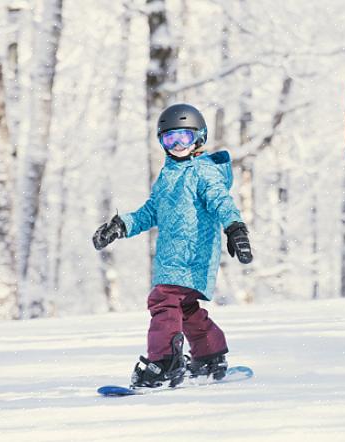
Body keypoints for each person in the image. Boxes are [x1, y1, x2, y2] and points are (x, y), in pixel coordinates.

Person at [92, 103, 253, 389]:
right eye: (170, 139)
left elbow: (221, 202)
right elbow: (150, 212)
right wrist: (120, 225)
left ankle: (164, 362)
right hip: (171, 260)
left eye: (185, 138)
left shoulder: (204, 173)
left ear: (199, 138)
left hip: (193, 257)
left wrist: (235, 228)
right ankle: (209, 355)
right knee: (185, 308)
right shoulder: (166, 177)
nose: (178, 145)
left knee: (163, 300)